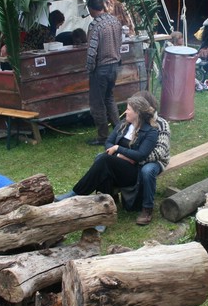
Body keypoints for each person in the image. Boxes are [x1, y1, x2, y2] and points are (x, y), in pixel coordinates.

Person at [57, 95, 160, 226]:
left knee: (104, 160)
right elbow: (108, 142)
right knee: (104, 169)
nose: (126, 111)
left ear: (137, 113)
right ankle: (103, 216)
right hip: (116, 165)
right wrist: (118, 155)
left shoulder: (151, 131)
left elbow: (140, 155)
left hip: (133, 173)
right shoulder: (124, 124)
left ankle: (76, 193)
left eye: (128, 109)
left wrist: (118, 149)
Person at [85, 0, 123, 145]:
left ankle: (103, 137)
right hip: (115, 66)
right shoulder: (115, 21)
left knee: (97, 103)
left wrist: (89, 68)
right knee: (109, 98)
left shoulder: (95, 25)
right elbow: (120, 43)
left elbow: (92, 51)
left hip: (100, 68)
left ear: (90, 9)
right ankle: (119, 131)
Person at [132, 91, 171, 225]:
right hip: (137, 157)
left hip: (157, 161)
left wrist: (138, 159)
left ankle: (147, 208)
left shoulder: (162, 124)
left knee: (147, 171)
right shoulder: (136, 121)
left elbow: (159, 152)